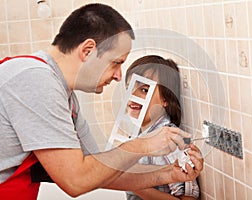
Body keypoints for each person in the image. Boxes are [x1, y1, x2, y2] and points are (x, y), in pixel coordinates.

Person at [0, 3, 204, 200]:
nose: (118, 76)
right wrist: (142, 145)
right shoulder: (34, 80)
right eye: (116, 63)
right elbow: (76, 181)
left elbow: (99, 172)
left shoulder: (64, 94)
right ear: (88, 50)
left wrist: (168, 174)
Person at [124, 55, 200, 200]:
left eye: (144, 90)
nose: (132, 95)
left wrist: (131, 183)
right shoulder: (137, 134)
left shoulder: (169, 142)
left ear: (165, 99)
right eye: (129, 87)